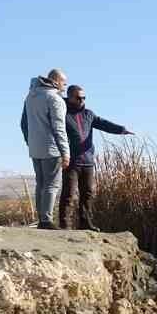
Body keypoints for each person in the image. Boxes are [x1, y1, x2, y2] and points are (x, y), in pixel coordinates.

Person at [60, 84, 135, 231]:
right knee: (69, 194)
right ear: (69, 97)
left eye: (84, 97)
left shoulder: (89, 114)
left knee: (88, 194)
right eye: (78, 97)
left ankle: (85, 223)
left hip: (88, 161)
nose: (82, 100)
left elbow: (103, 124)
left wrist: (121, 130)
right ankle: (65, 226)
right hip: (71, 161)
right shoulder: (62, 113)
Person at [20, 69, 70, 229]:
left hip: (35, 148)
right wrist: (65, 152)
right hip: (51, 148)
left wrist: (30, 141)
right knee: (52, 184)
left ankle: (42, 218)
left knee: (41, 184)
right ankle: (46, 220)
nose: (65, 86)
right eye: (64, 82)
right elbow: (59, 128)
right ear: (55, 81)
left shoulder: (30, 97)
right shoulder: (54, 99)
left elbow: (23, 124)